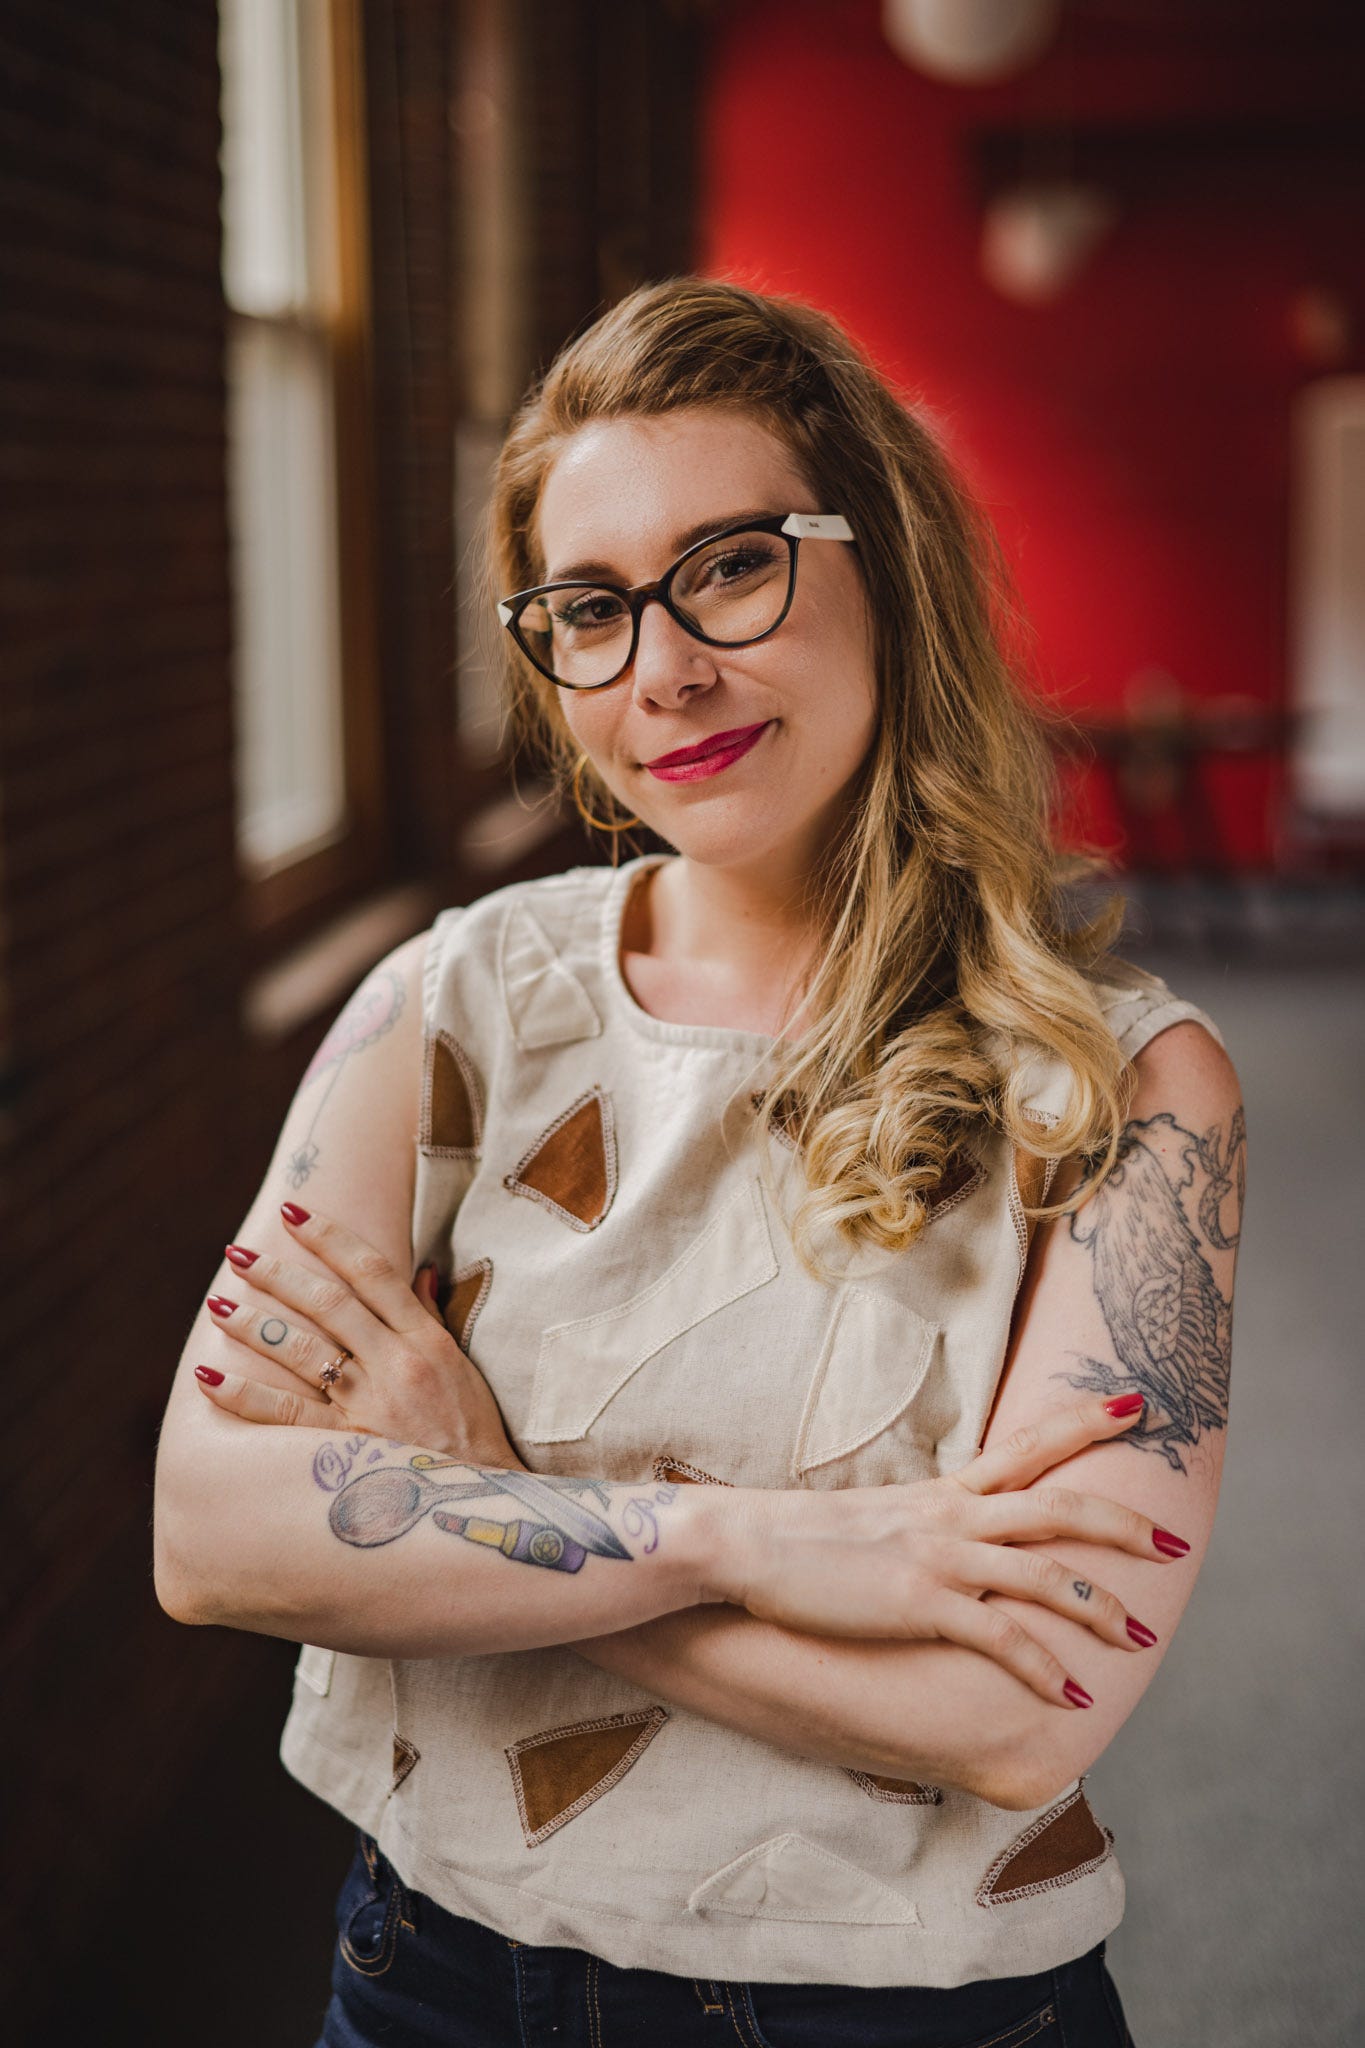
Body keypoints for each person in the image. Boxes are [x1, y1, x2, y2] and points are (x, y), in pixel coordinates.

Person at [153, 277, 1243, 2047]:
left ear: (878, 563)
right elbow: (208, 1531)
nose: (662, 669)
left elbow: (1018, 1708)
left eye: (731, 563)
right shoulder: (452, 1007)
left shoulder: (1120, 1092)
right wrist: (750, 1544)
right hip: (430, 1969)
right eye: (588, 608)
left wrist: (483, 1496)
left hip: (889, 2014)